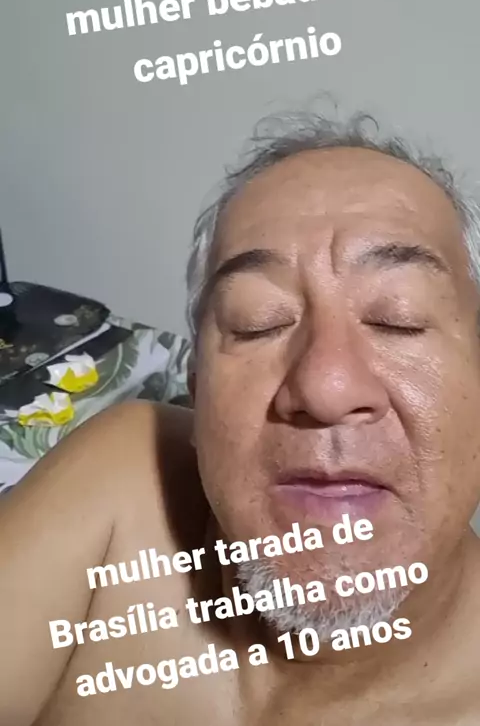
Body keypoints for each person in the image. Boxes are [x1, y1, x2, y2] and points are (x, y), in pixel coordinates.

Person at [1, 109, 479, 725]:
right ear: (197, 395)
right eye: (259, 322)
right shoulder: (125, 483)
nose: (325, 388)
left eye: (398, 319)